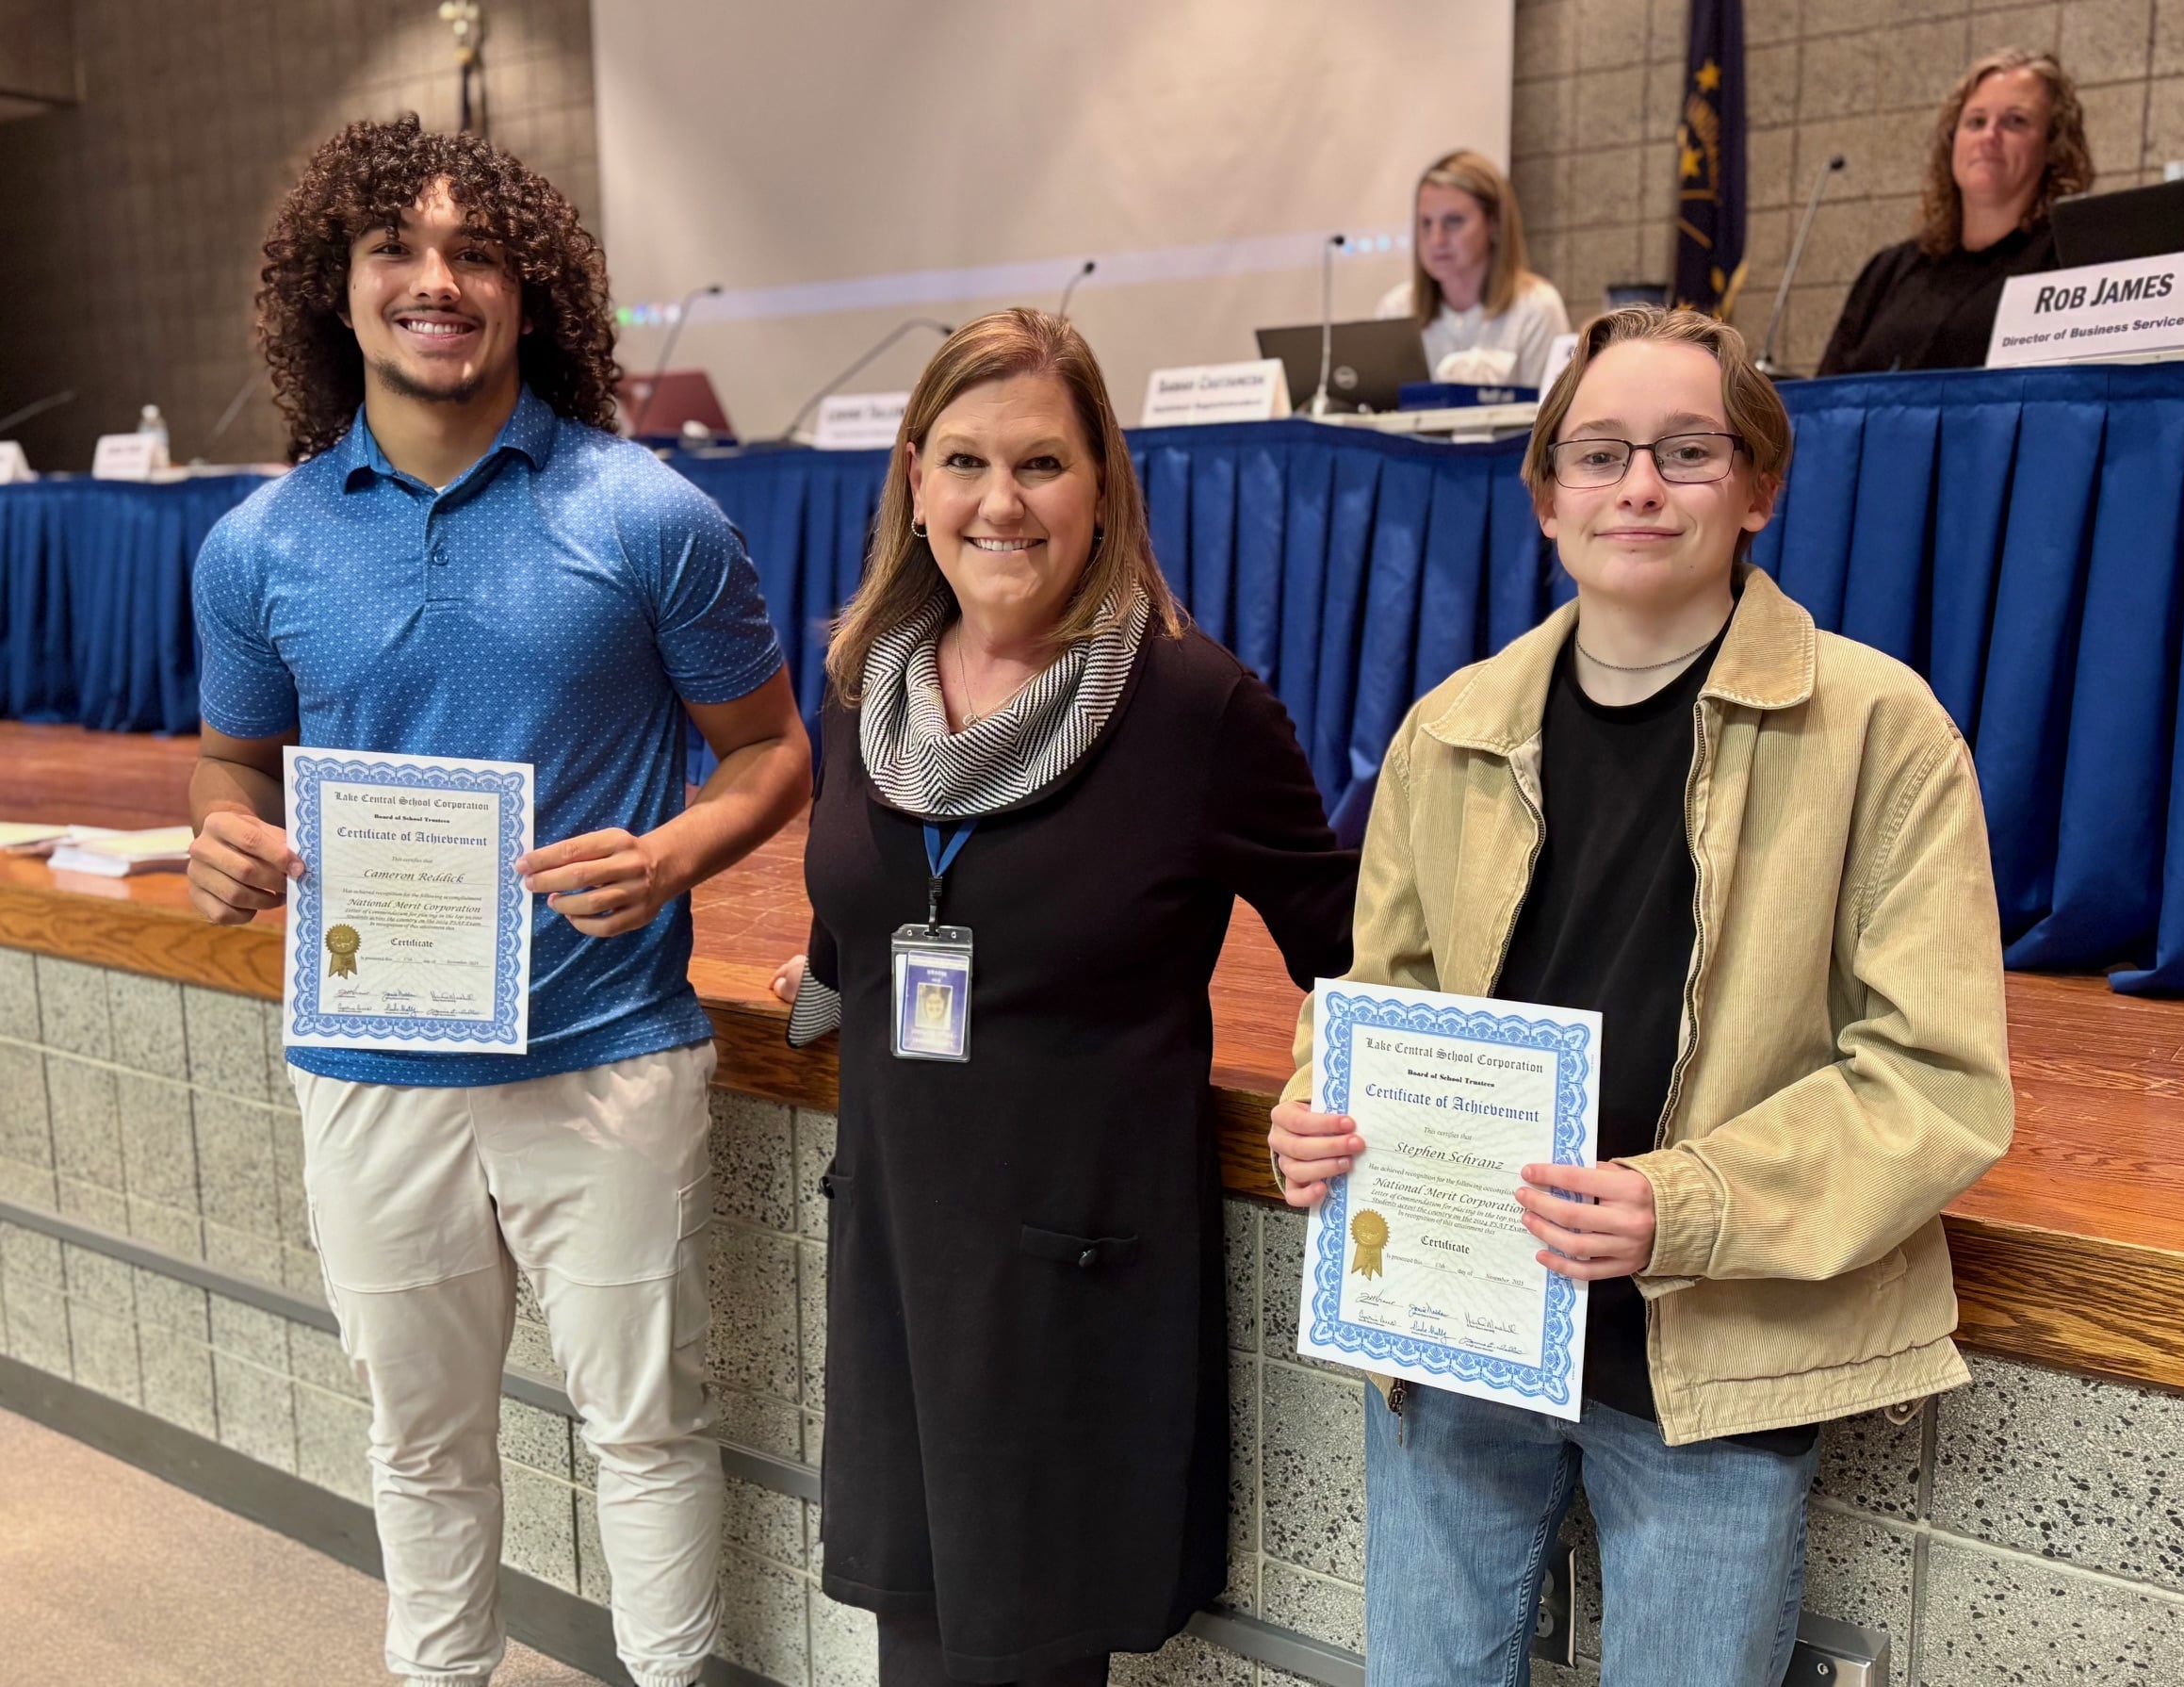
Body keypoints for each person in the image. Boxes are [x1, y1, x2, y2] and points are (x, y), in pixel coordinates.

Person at [1270, 306, 2013, 1687]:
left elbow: (1936, 1080)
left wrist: (1691, 1202)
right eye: (1600, 452)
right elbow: (1375, 993)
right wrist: (1314, 1105)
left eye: (1688, 450)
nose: (1641, 486)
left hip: (1712, 1357)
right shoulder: (1450, 729)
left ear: (1760, 488)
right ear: (1546, 492)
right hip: (1459, 1333)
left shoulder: (1880, 730)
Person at [185, 117, 810, 1687]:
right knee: (420, 1445)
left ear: (532, 297)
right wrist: (222, 837)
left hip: (605, 1052)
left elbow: (770, 753)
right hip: (372, 1069)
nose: (436, 281)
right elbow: (226, 769)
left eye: (475, 253)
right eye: (396, 250)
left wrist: (676, 855)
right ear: (335, 291)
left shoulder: (649, 517)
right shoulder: (256, 546)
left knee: (648, 1432)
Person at [769, 307, 1357, 1687]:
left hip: (1070, 1277)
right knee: (911, 1637)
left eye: (1041, 463)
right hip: (901, 1253)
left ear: (1104, 487)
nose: (1000, 502)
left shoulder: (1193, 709)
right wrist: (830, 976)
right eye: (965, 461)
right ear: (914, 478)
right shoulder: (867, 693)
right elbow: (869, 906)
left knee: (1016, 1659)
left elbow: (1352, 945)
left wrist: (1343, 1085)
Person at [1817, 49, 2094, 376]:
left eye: (2015, 121)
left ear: (2053, 146)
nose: (1989, 137)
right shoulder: (1887, 271)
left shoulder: (2072, 263)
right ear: (1952, 142)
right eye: (1976, 122)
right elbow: (1827, 402)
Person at [1377, 148, 1572, 390]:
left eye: (1453, 221)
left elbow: (1550, 418)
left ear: (1494, 223)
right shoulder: (1397, 309)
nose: (1436, 240)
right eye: (1426, 223)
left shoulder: (1536, 308)